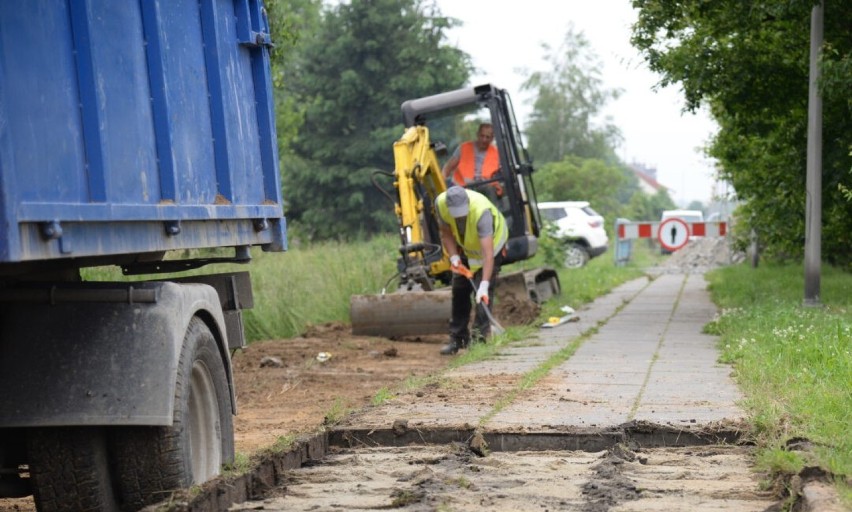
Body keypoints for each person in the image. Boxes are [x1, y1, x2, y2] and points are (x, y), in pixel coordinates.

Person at [434, 186, 508, 355]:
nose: (460, 216)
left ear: (467, 203)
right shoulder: (440, 204)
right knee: (459, 290)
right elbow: (446, 233)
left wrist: (483, 283)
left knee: (483, 295)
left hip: (492, 247)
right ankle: (457, 339)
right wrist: (453, 257)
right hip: (466, 248)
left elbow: (488, 255)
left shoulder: (481, 212)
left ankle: (478, 341)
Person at [442, 123, 501, 190]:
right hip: (462, 189)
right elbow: (447, 169)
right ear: (477, 134)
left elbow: (502, 174)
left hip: (486, 189)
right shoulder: (463, 148)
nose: (484, 140)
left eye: (487, 137)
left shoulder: (497, 153)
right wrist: (443, 188)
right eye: (482, 136)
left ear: (492, 138)